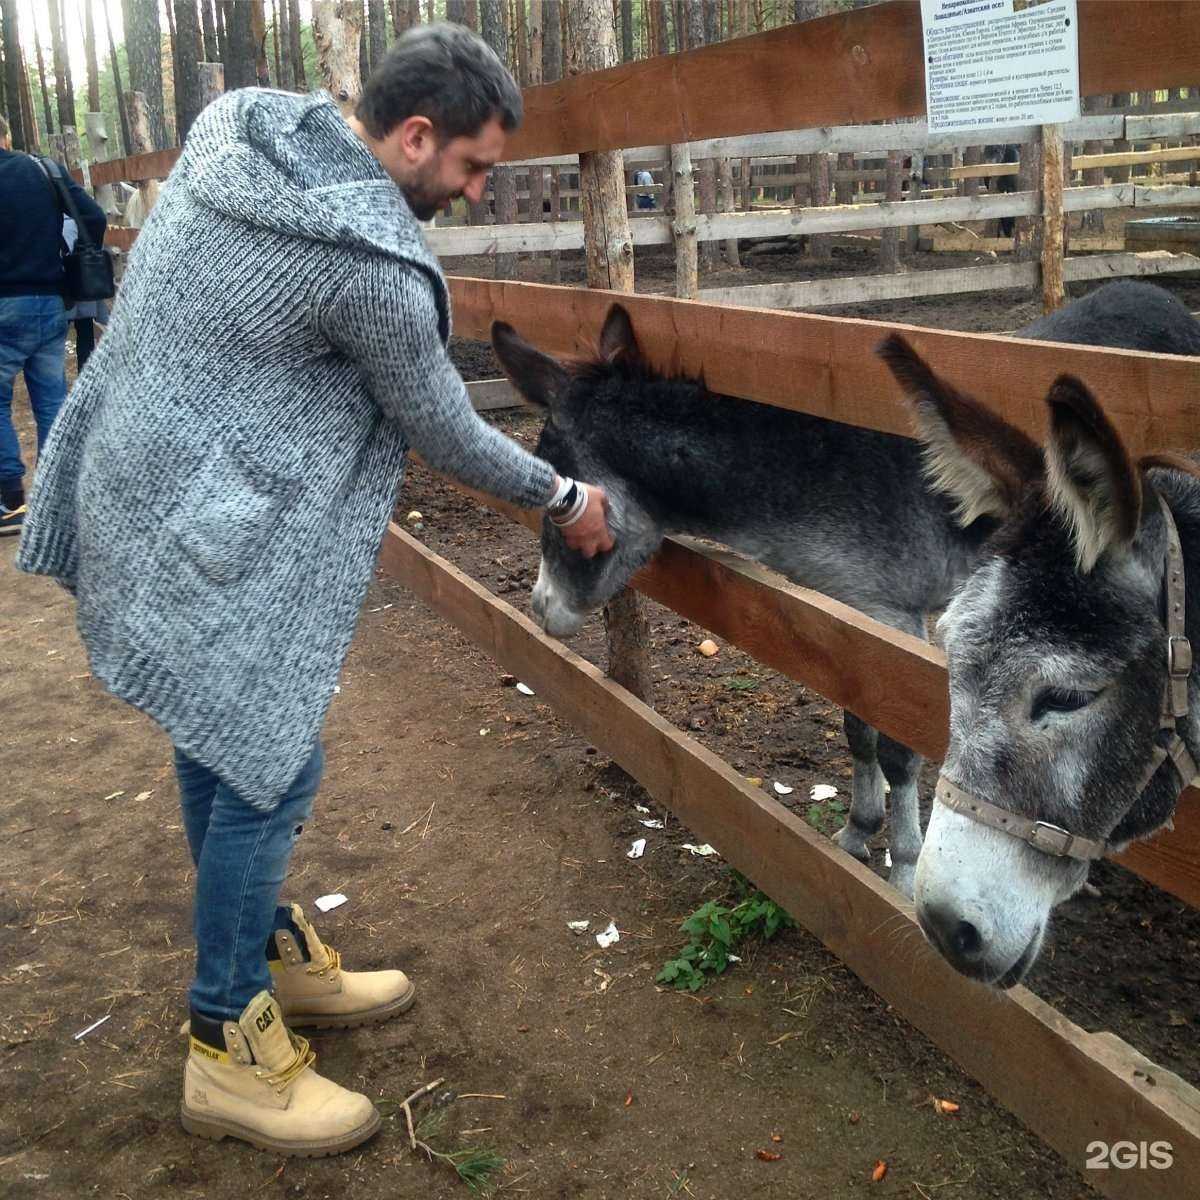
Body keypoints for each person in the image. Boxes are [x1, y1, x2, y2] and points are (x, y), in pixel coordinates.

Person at [16, 24, 614, 1157]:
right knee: (271, 763)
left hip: (142, 481)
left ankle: (266, 957)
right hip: (208, 527)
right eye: (473, 168)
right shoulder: (365, 265)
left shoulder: (238, 138)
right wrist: (560, 493)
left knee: (223, 734)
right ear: (415, 134)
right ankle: (226, 1041)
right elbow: (442, 426)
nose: (478, 194)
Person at [0, 114, 107, 534]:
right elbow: (94, 218)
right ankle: (58, 498)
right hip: (48, 302)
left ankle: (10, 499)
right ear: (7, 135)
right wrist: (74, 257)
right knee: (52, 401)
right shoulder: (43, 170)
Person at [61, 217, 109, 373]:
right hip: (86, 288)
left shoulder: (56, 220)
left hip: (64, 290)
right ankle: (85, 378)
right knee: (86, 337)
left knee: (58, 340)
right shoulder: (86, 218)